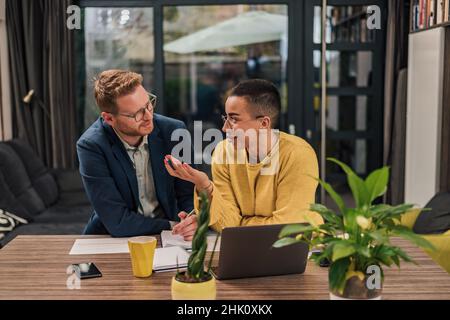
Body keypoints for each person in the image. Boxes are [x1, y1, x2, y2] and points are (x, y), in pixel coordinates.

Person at [164, 79, 323, 239]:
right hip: (249, 247)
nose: (225, 128)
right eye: (225, 118)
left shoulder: (298, 154)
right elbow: (227, 224)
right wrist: (205, 186)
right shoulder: (223, 152)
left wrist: (240, 224)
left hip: (305, 251)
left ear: (264, 123)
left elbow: (287, 229)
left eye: (234, 119)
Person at [77, 70, 194, 238]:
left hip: (173, 237)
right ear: (109, 119)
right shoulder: (91, 146)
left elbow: (188, 193)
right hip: (111, 238)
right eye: (136, 114)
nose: (148, 116)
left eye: (148, 104)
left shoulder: (175, 131)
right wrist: (172, 225)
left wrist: (191, 219)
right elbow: (118, 221)